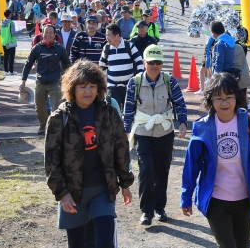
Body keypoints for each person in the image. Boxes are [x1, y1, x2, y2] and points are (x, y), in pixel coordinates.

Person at [181, 73, 250, 248]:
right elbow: (191, 166)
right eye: (218, 98)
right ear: (210, 100)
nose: (224, 103)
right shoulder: (201, 127)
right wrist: (186, 197)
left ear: (237, 97)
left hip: (244, 200)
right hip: (215, 201)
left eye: (228, 97)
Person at [45, 61, 134, 247]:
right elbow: (51, 161)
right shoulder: (58, 118)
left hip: (102, 189)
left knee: (104, 243)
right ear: (72, 88)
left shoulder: (109, 113)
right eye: (82, 87)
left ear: (99, 88)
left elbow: (121, 147)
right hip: (73, 193)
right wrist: (62, 193)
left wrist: (125, 183)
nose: (88, 92)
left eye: (92, 86)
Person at [124, 45, 188, 226]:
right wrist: (125, 130)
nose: (155, 66)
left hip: (165, 132)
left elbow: (179, 103)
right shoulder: (134, 82)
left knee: (162, 171)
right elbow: (128, 108)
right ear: (144, 63)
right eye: (151, 62)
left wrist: (183, 122)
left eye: (158, 62)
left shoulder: (170, 81)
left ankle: (160, 208)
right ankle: (146, 211)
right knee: (146, 171)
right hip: (143, 133)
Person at [21, 25, 71, 135]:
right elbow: (28, 64)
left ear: (54, 35)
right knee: (39, 108)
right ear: (42, 34)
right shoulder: (37, 48)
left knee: (57, 109)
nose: (48, 35)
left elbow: (68, 65)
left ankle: (55, 128)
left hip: (55, 82)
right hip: (40, 81)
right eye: (46, 32)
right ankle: (43, 125)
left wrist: (67, 80)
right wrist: (23, 80)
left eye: (50, 33)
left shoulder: (59, 48)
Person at [99, 23, 144, 109]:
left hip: (129, 86)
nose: (107, 38)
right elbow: (102, 66)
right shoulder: (106, 48)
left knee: (129, 111)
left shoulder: (129, 46)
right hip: (112, 87)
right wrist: (105, 81)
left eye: (109, 35)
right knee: (114, 112)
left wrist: (139, 78)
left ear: (117, 36)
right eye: (106, 35)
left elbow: (139, 61)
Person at [0, 9, 25, 76]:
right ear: (9, 15)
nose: (11, 15)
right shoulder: (11, 23)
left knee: (5, 56)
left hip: (4, 41)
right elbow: (13, 33)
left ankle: (6, 71)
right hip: (11, 42)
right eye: (11, 14)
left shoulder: (1, 23)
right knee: (11, 56)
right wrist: (21, 31)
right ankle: (11, 71)